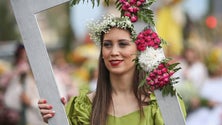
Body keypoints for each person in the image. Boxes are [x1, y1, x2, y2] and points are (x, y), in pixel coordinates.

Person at [38, 15, 186, 125]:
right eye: (107, 45)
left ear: (140, 50)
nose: (114, 52)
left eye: (122, 44)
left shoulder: (163, 104)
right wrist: (55, 118)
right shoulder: (82, 107)